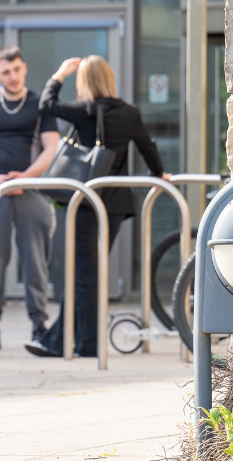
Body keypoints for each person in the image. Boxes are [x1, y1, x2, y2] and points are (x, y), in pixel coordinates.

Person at [25, 55, 168, 358]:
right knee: (88, 273)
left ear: (85, 82)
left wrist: (60, 73)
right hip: (116, 204)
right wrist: (159, 174)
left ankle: (84, 344)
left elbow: (46, 105)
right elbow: (147, 146)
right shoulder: (129, 113)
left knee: (83, 275)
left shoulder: (88, 111)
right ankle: (59, 339)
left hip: (88, 203)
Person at [0, 46, 59, 351]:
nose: (12, 76)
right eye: (6, 72)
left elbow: (50, 148)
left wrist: (27, 176)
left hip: (32, 190)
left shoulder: (39, 103)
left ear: (24, 69)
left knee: (36, 263)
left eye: (17, 69)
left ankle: (39, 327)